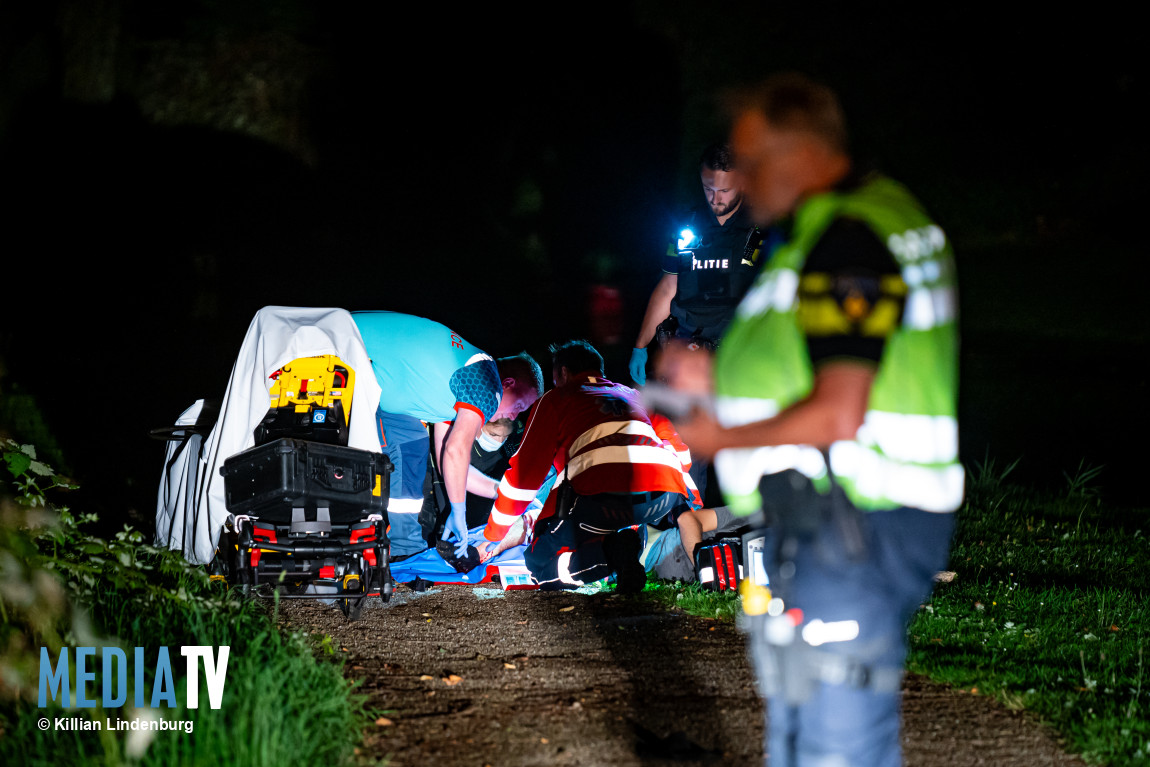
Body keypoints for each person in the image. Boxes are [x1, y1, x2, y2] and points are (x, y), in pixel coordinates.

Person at [659, 74, 962, 766]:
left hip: (855, 520)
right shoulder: (852, 224)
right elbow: (829, 356)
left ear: (789, 155)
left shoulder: (847, 238)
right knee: (810, 736)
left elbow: (840, 404)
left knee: (834, 744)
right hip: (841, 518)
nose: (737, 181)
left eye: (747, 160)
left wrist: (720, 434)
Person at [479, 340, 697, 592]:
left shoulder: (556, 398)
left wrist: (493, 535)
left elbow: (522, 479)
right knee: (594, 523)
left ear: (561, 373)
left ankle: (613, 556)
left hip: (600, 498)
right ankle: (621, 551)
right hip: (663, 496)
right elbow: (681, 451)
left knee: (539, 564)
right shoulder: (633, 395)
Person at [350, 311, 543, 559]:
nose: (514, 417)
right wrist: (459, 511)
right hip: (341, 344)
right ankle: (384, 547)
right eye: (519, 407)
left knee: (414, 448)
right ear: (507, 384)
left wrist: (502, 491)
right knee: (402, 454)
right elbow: (456, 451)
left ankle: (404, 552)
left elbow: (447, 458)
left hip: (380, 389)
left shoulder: (460, 386)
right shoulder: (486, 384)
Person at [629, 143, 767, 387]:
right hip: (685, 349)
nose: (715, 199)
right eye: (708, 189)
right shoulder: (687, 226)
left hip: (735, 353)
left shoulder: (760, 228)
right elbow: (668, 287)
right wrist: (640, 346)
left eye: (725, 190)